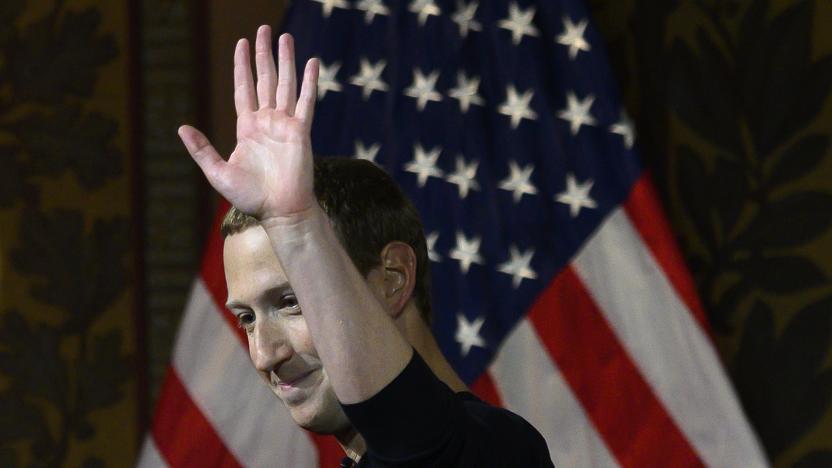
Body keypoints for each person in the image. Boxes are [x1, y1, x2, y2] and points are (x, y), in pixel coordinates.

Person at [178, 25, 553, 467]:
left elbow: (416, 441)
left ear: (393, 279)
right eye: (246, 318)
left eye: (293, 301)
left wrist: (295, 225)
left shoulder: (492, 452)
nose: (265, 354)